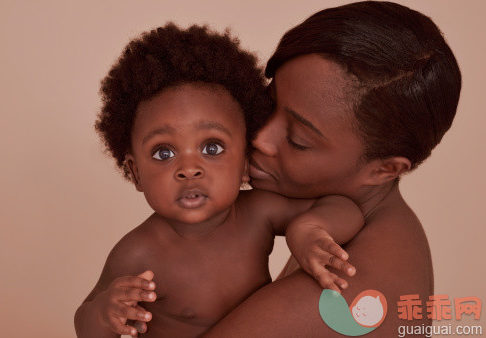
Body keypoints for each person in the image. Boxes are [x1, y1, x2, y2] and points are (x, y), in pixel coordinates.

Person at [74, 24, 365, 338]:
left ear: (244, 163)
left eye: (211, 148)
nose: (189, 169)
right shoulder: (138, 253)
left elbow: (347, 207)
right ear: (135, 173)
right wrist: (106, 314)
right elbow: (84, 324)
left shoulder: (258, 214)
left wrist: (309, 230)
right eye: (163, 153)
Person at [194, 1, 461, 337]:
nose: (260, 138)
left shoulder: (338, 297)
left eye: (297, 140)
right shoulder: (363, 222)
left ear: (385, 169)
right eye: (270, 100)